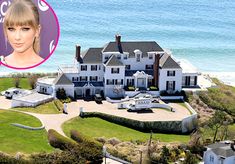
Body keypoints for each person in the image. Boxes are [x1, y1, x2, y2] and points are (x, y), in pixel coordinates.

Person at [2, 0, 43, 68]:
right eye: (11, 29)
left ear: (37, 31)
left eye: (25, 29)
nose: (17, 37)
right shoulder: (2, 62)